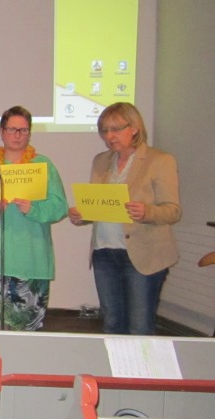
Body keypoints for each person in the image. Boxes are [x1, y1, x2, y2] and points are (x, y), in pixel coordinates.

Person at [68, 102, 181, 334]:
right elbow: (101, 206)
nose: (109, 136)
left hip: (143, 254)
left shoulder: (160, 160)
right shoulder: (100, 161)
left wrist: (147, 212)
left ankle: (141, 361)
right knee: (111, 323)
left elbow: (173, 210)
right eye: (104, 130)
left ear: (134, 128)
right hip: (104, 252)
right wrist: (82, 214)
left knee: (139, 326)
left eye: (116, 129)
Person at [0, 106, 68, 331]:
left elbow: (59, 207)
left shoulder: (43, 165)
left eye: (23, 130)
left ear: (29, 133)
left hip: (29, 258)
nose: (17, 135)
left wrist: (34, 209)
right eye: (12, 129)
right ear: (2, 132)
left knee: (25, 328)